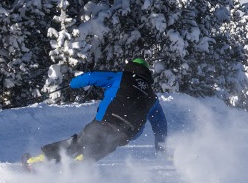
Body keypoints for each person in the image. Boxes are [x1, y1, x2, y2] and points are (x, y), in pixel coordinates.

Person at [24, 58, 168, 169]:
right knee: (94, 153)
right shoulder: (152, 97)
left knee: (77, 143)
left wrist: (73, 84)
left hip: (105, 122)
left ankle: (37, 162)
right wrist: (160, 146)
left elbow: (91, 76)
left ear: (131, 68)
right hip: (124, 134)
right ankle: (71, 174)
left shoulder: (121, 77)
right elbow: (160, 123)